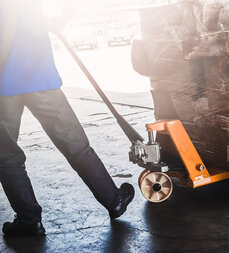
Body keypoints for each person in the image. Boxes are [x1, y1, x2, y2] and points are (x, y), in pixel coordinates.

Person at [0, 0, 135, 238]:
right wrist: (58, 19)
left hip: (3, 86)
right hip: (41, 77)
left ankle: (29, 220)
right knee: (76, 145)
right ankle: (113, 201)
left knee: (7, 156)